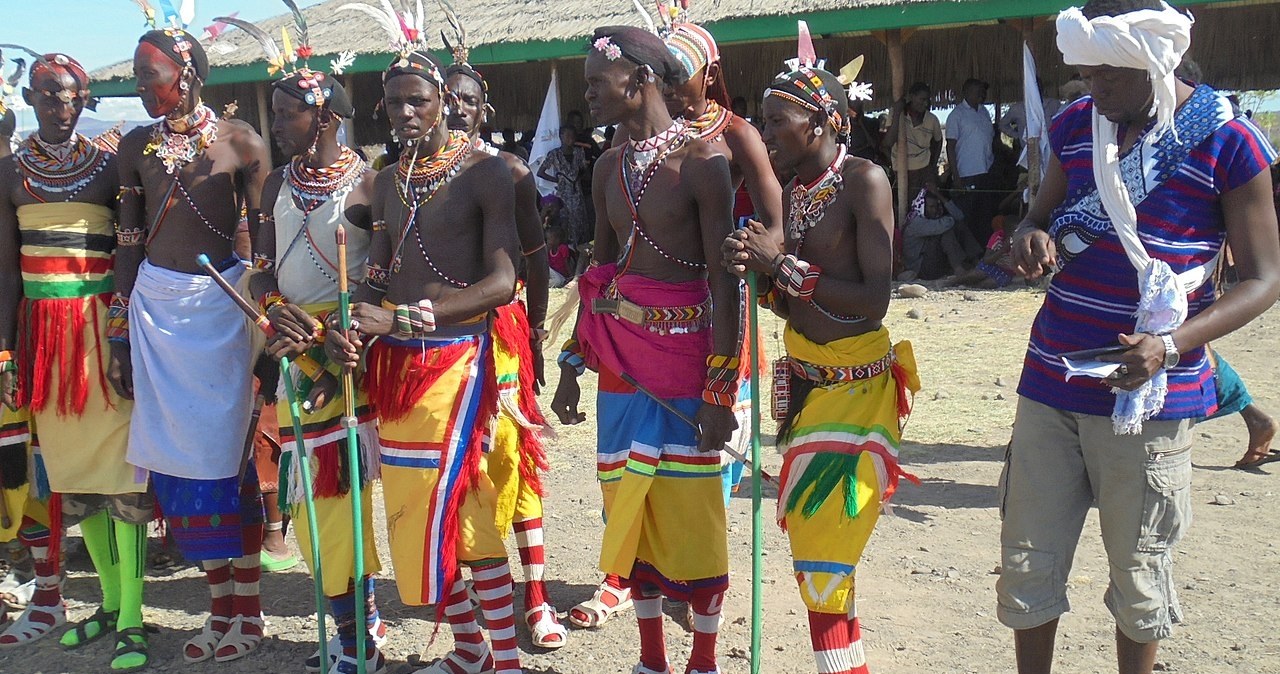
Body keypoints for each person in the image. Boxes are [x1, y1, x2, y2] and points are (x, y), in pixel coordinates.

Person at [1001, 2, 1280, 673]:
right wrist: (1028, 241)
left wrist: (1171, 345)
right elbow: (1033, 219)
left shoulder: (1229, 144)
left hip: (1153, 398)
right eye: (1087, 74)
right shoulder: (1076, 126)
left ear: (1162, 61)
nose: (1092, 90)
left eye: (1109, 77)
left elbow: (1264, 279)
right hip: (1051, 382)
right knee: (1027, 565)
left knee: (1138, 576)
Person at [322, 15, 523, 671]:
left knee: (464, 509)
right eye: (394, 102)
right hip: (394, 373)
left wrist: (404, 319)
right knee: (414, 516)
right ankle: (470, 651)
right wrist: (351, 323)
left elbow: (501, 282)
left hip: (457, 365)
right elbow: (378, 275)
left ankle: (507, 657)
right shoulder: (387, 181)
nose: (405, 113)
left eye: (419, 100)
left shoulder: (486, 173)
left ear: (444, 102)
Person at [722, 43, 919, 674]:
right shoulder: (791, 191)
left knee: (823, 551)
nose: (765, 131)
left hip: (856, 392)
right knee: (817, 552)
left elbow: (873, 302)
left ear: (825, 120)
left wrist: (780, 267)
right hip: (805, 386)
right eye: (763, 118)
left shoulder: (864, 181)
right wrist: (754, 272)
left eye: (778, 120)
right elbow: (793, 302)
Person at [551, 25, 739, 674]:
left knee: (690, 512)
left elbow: (724, 280)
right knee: (629, 505)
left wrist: (721, 391)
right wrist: (574, 363)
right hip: (621, 369)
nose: (589, 96)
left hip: (686, 366)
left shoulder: (705, 162)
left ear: (640, 81)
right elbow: (598, 274)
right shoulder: (607, 166)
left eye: (596, 83)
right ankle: (653, 659)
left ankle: (705, 659)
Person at [112, 26, 272, 664]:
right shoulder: (134, 145)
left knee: (232, 463)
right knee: (180, 466)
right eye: (137, 75)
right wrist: (122, 332)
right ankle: (218, 610)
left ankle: (251, 613)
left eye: (151, 75)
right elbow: (127, 240)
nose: (141, 87)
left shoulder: (242, 144)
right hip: (155, 314)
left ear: (190, 72)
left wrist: (264, 322)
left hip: (224, 316)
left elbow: (260, 248)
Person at [240, 36, 389, 672]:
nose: (277, 125)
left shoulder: (369, 184)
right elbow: (263, 271)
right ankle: (356, 627)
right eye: (274, 115)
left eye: (287, 114)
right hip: (290, 349)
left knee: (338, 499)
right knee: (306, 502)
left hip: (343, 358)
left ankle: (361, 642)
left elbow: (381, 277)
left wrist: (337, 343)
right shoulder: (277, 180)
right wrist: (275, 310)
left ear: (324, 115)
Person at [0, 53, 153, 671]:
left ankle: (137, 617)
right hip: (43, 340)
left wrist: (121, 336)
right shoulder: (9, 173)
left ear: (84, 100)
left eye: (72, 98)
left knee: (122, 477)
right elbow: (7, 270)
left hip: (100, 333)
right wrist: (8, 352)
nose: (61, 109)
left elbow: (131, 254)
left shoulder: (110, 168)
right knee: (74, 476)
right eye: (49, 97)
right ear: (31, 99)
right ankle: (110, 607)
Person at [443, 23, 566, 649]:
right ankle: (472, 593)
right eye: (449, 98)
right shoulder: (407, 175)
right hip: (438, 346)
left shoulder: (508, 170)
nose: (457, 108)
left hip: (503, 333)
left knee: (513, 460)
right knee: (460, 463)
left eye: (467, 100)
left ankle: (537, 597)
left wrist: (537, 333)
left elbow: (537, 258)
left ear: (482, 109)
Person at [660, 14, 784, 508]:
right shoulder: (639, 139)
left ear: (708, 74)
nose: (667, 86)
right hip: (657, 306)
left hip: (720, 298)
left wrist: (751, 249)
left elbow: (776, 223)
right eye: (659, 75)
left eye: (677, 73)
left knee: (707, 447)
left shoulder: (737, 135)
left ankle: (698, 565)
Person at [945, 77, 997, 246]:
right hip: (967, 173)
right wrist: (956, 177)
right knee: (967, 216)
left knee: (985, 214)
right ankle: (968, 255)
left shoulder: (984, 112)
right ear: (967, 92)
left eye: (983, 91)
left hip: (986, 171)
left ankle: (984, 252)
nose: (982, 94)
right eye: (978, 91)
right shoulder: (956, 115)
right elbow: (950, 147)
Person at [883, 81, 943, 200]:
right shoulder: (897, 114)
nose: (925, 103)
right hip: (902, 170)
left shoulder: (932, 120)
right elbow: (889, 142)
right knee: (906, 205)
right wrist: (897, 114)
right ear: (912, 97)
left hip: (924, 169)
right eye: (922, 99)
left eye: (927, 100)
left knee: (927, 205)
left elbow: (938, 141)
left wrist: (932, 165)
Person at [899, 183, 970, 281]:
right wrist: (951, 218)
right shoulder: (916, 222)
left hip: (929, 262)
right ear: (923, 207)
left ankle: (972, 261)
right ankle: (959, 269)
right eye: (931, 207)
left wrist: (940, 196)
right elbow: (947, 223)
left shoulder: (930, 218)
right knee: (946, 231)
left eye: (936, 206)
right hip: (920, 268)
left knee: (959, 225)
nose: (935, 210)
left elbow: (959, 217)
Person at [537, 126, 591, 247]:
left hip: (577, 193)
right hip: (563, 195)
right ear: (561, 137)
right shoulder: (554, 154)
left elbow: (584, 170)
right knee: (566, 223)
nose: (570, 139)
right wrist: (556, 179)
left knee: (581, 222)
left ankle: (581, 249)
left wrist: (580, 176)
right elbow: (540, 172)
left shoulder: (578, 152)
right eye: (567, 136)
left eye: (572, 136)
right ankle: (568, 251)